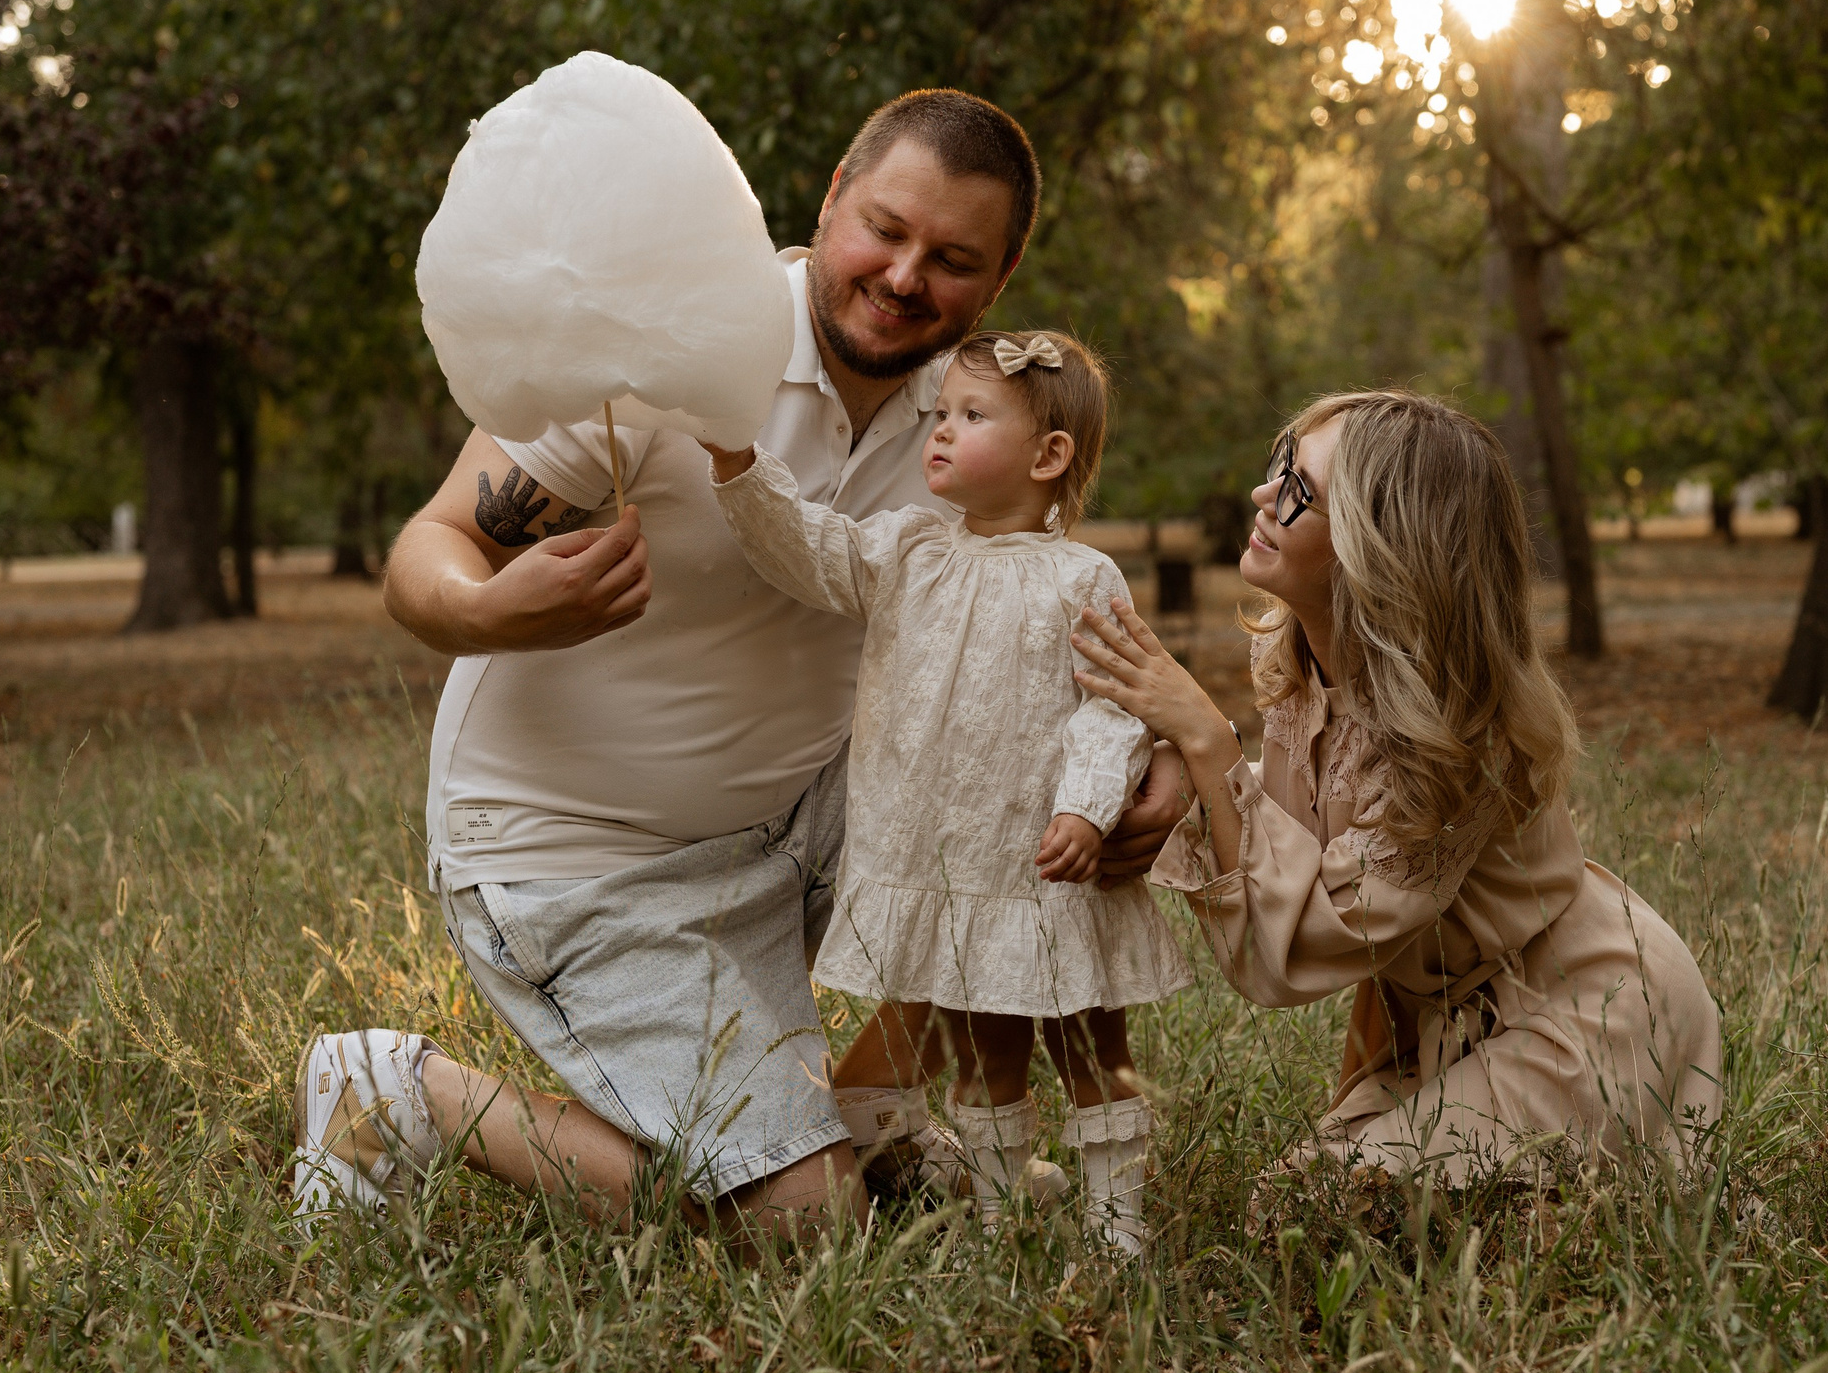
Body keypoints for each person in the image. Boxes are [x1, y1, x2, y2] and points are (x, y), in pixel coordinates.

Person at [289, 90, 1186, 1245]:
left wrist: (1152, 758)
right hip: (589, 857)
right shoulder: (666, 347)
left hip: (805, 816)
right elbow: (431, 549)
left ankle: (868, 1114)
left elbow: (1046, 625)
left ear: (1001, 276)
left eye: (952, 257)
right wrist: (495, 610)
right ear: (828, 200)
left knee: (1048, 799)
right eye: (884, 228)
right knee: (806, 1230)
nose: (906, 274)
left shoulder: (976, 413)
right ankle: (397, 1093)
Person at [1069, 390, 1721, 1192]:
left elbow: (1310, 941)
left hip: (1591, 1011)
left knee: (1316, 1207)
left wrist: (1205, 741)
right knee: (1301, 1194)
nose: (1262, 496)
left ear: (1381, 547)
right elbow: (1308, 861)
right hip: (1446, 1027)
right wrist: (1178, 765)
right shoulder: (1300, 669)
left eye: (1301, 489)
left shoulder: (1460, 733)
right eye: (1280, 467)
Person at [704, 329, 1192, 1253]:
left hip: (1053, 867)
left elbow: (1115, 708)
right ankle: (1002, 1216)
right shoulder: (907, 550)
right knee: (983, 1054)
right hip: (951, 862)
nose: (939, 433)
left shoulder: (1081, 577)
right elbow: (810, 547)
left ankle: (1117, 1225)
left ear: (1048, 456)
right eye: (940, 415)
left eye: (971, 416)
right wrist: (740, 465)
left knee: (1095, 1049)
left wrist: (1087, 807)